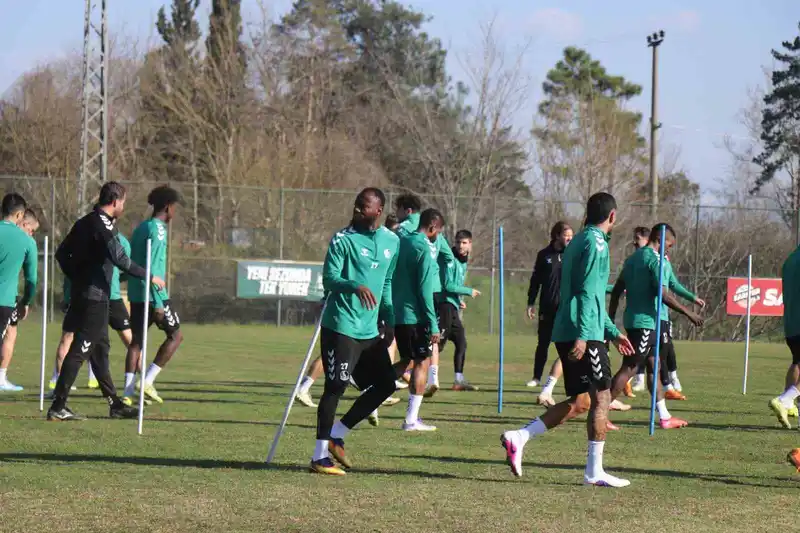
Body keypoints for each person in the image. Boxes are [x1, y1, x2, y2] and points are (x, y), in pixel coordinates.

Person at [500, 192, 635, 487]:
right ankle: (594, 472)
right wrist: (585, 335)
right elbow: (587, 293)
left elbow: (591, 294)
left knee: (582, 401)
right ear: (612, 216)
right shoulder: (596, 243)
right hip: (582, 331)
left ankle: (519, 437)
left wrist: (612, 332)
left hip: (573, 327)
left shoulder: (580, 241)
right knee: (602, 397)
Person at [47, 182, 165, 421]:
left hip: (83, 295)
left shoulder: (84, 222)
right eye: (123, 202)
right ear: (114, 201)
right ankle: (58, 406)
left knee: (100, 350)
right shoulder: (103, 226)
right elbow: (121, 260)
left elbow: (61, 254)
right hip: (95, 299)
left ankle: (115, 404)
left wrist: (77, 277)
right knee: (80, 350)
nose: (123, 207)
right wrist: (150, 276)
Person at [309, 188, 399, 475]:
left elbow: (386, 282)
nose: (357, 209)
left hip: (369, 330)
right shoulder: (342, 239)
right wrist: (354, 286)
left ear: (378, 210)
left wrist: (389, 318)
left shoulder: (392, 241)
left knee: (386, 384)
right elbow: (329, 279)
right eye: (357, 204)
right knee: (335, 387)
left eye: (364, 206)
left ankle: (338, 434)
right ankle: (319, 457)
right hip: (341, 325)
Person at [607, 224, 704, 430]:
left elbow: (616, 291)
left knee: (654, 366)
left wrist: (611, 318)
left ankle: (664, 416)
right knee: (631, 367)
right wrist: (689, 313)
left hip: (640, 321)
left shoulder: (632, 259)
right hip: (644, 323)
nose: (669, 249)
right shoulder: (655, 260)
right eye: (669, 245)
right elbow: (664, 294)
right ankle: (600, 412)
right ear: (660, 239)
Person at [52, 232, 135, 393]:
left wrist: (68, 296)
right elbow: (127, 267)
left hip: (94, 295)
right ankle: (61, 387)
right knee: (115, 341)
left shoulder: (85, 235)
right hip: (99, 296)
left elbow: (69, 268)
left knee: (75, 339)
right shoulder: (114, 239)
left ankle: (60, 385)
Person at [123, 186, 182, 405]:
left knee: (136, 343)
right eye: (174, 207)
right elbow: (153, 266)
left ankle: (127, 393)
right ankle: (147, 381)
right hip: (154, 294)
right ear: (167, 207)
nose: (174, 212)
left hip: (137, 293)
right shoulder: (158, 229)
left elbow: (132, 261)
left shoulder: (141, 227)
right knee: (176, 336)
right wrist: (158, 302)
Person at [393, 208, 444, 431]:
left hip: (399, 313)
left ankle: (372, 384)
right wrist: (433, 323)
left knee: (408, 361)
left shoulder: (401, 242)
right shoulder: (423, 248)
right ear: (432, 227)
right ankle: (411, 420)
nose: (437, 236)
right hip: (415, 316)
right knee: (422, 362)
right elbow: (425, 290)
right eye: (438, 232)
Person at [525, 221, 572, 402]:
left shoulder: (572, 254)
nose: (569, 239)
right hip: (547, 307)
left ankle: (563, 379)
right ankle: (536, 377)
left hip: (566, 308)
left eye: (571, 236)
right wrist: (531, 303)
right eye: (566, 235)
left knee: (567, 345)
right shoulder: (544, 255)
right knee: (543, 343)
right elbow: (535, 281)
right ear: (557, 235)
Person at [0, 196, 38, 392]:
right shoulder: (27, 241)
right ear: (19, 215)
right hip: (4, 300)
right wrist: (26, 302)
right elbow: (32, 280)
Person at [437, 229, 480, 390]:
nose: (461, 246)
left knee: (461, 342)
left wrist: (459, 300)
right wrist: (468, 291)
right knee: (437, 345)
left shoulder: (463, 261)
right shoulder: (450, 259)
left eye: (464, 243)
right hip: (444, 306)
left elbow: (455, 285)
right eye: (458, 242)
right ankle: (410, 372)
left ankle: (458, 380)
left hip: (452, 305)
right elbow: (448, 285)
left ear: (470, 244)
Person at [768, 241, 800, 429]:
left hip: (791, 322)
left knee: (797, 362)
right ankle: (785, 400)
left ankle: (789, 406)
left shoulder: (790, 259)